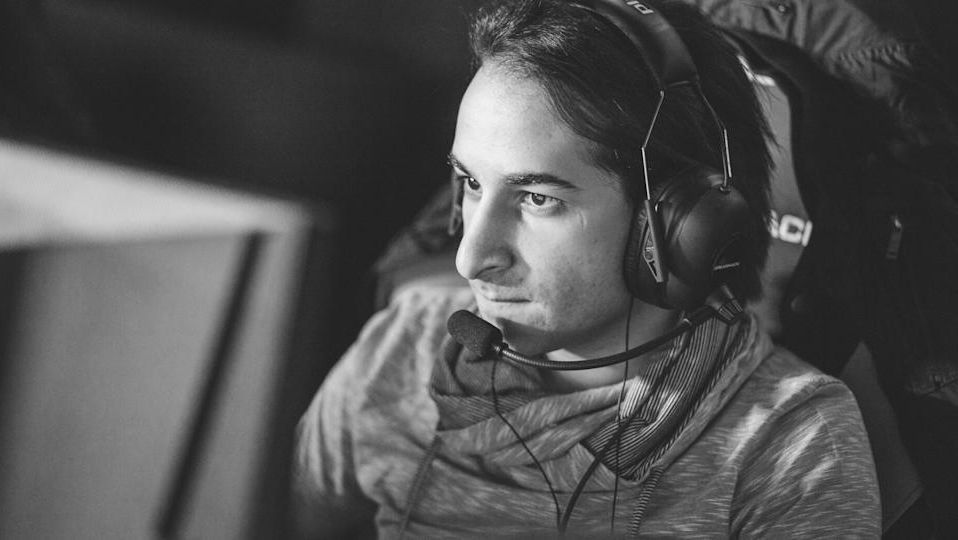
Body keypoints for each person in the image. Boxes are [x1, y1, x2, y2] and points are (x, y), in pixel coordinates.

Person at [293, 0, 880, 537]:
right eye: (471, 183)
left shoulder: (788, 445)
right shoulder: (405, 340)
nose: (470, 257)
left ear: (678, 225)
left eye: (537, 199)